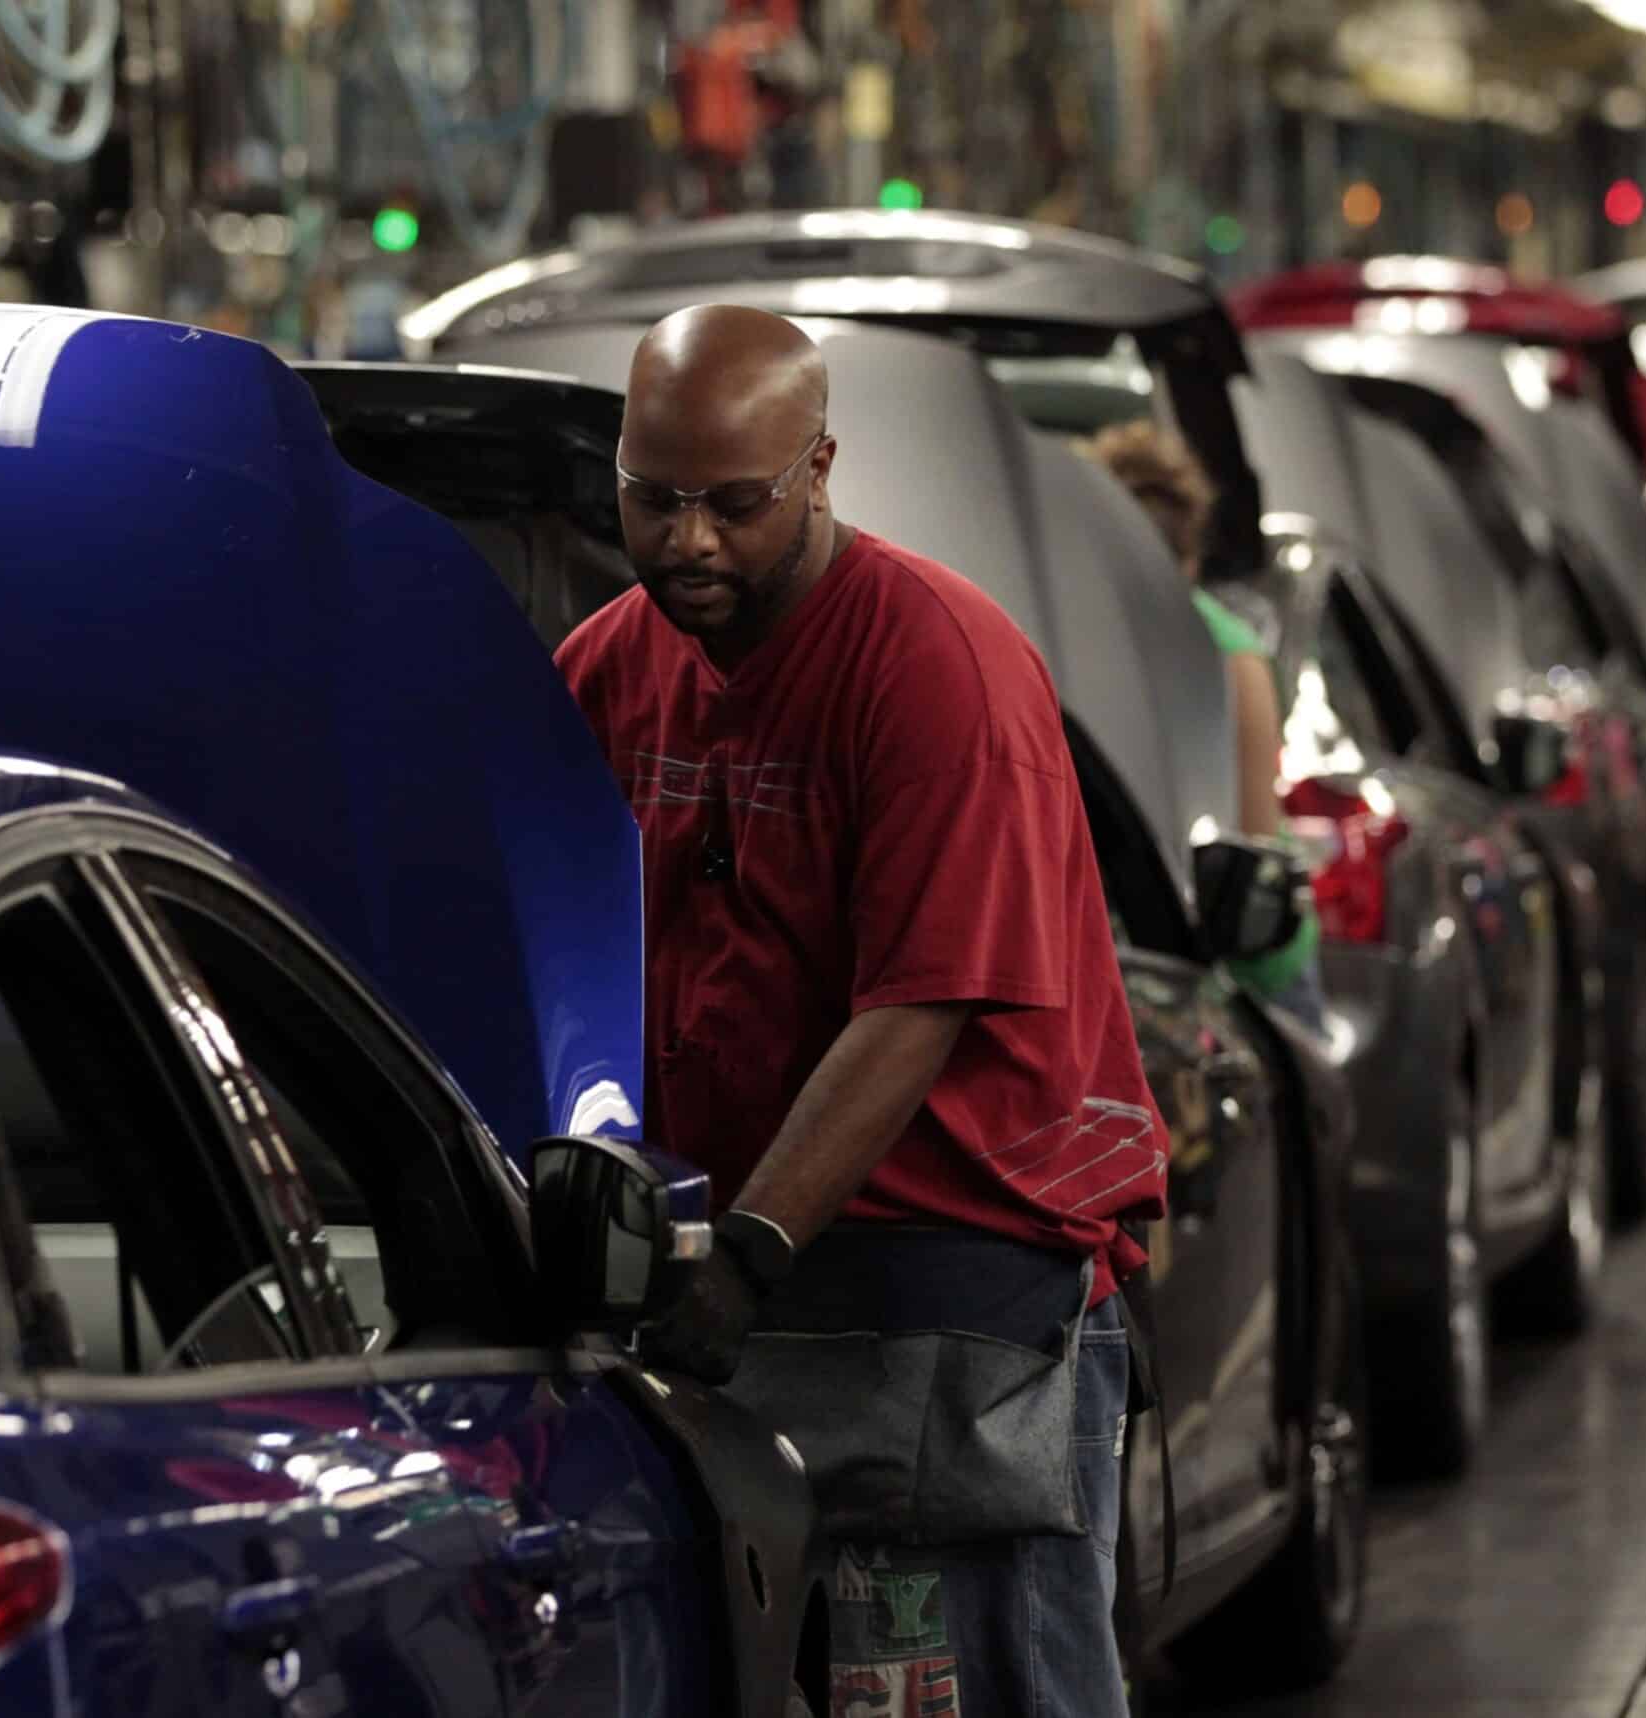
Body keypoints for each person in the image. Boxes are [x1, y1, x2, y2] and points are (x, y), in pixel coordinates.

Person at [556, 304, 1164, 1717]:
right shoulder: (607, 667)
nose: (688, 542)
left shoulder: (935, 666)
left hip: (947, 1301)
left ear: (820, 467)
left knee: (992, 1680)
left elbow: (919, 1002)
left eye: (735, 504)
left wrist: (749, 1248)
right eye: (653, 499)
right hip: (734, 1301)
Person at [1084, 417, 1328, 1028]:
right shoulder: (1228, 648)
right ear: (1189, 559)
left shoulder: (1071, 644)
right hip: (1236, 968)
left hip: (1230, 975)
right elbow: (1255, 840)